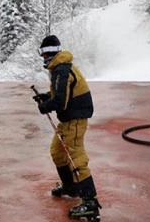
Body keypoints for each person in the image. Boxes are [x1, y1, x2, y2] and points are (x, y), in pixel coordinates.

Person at [35, 35, 101, 221]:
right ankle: (70, 186)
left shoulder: (61, 70)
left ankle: (90, 202)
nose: (43, 57)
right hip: (69, 119)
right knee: (57, 152)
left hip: (75, 120)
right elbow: (61, 92)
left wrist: (45, 106)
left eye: (44, 53)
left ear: (51, 52)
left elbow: (60, 101)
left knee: (76, 157)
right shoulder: (61, 67)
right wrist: (46, 97)